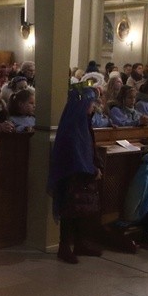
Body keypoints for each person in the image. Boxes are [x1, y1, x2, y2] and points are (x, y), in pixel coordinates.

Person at [47, 86, 104, 264]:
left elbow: (88, 147)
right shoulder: (73, 126)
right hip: (73, 174)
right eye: (91, 103)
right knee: (69, 211)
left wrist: (95, 164)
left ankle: (80, 243)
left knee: (82, 211)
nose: (93, 107)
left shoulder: (83, 121)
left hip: (83, 173)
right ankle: (64, 247)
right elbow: (75, 152)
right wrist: (91, 170)